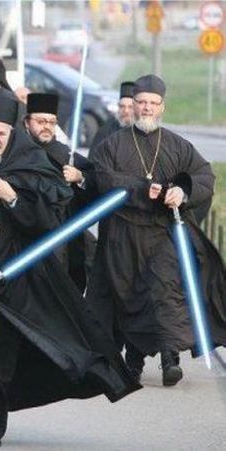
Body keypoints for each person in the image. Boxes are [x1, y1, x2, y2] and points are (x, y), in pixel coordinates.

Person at [0, 93, 140, 448]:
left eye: (0, 133)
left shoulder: (30, 169)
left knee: (1, 352)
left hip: (13, 281)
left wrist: (12, 197)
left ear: (11, 133)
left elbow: (47, 225)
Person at [87, 74, 226, 386]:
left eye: (153, 103)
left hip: (163, 234)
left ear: (162, 107)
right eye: (141, 102)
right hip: (123, 237)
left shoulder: (178, 145)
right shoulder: (112, 145)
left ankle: (169, 357)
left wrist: (183, 191)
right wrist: (139, 188)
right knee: (129, 297)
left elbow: (204, 176)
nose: (147, 108)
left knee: (164, 291)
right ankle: (133, 361)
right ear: (133, 105)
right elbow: (103, 178)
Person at [23, 92, 96, 291]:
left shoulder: (65, 154)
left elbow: (94, 180)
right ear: (27, 123)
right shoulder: (17, 152)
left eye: (51, 122)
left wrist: (79, 177)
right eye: (40, 121)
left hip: (63, 238)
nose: (46, 126)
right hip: (26, 234)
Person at [88, 82, 135, 161]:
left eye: (130, 107)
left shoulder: (141, 131)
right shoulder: (105, 132)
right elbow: (93, 160)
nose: (126, 111)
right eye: (122, 106)